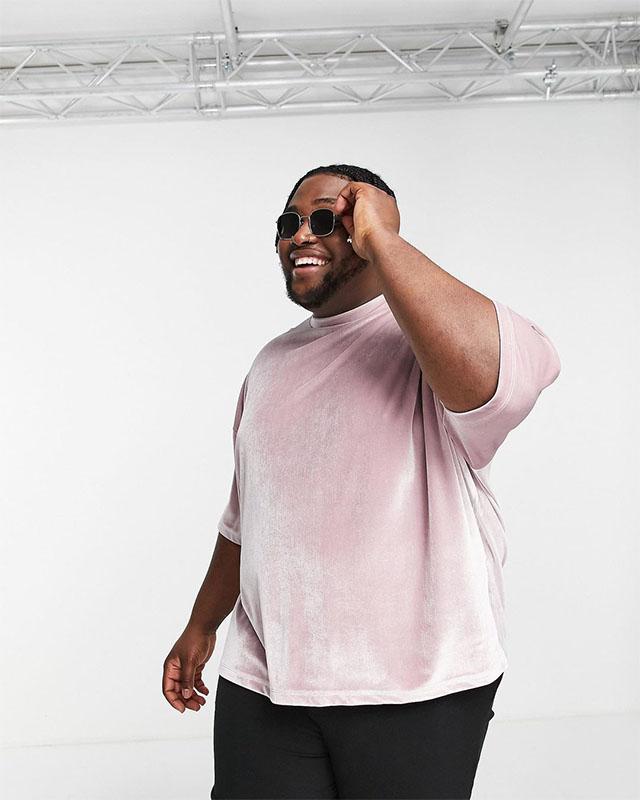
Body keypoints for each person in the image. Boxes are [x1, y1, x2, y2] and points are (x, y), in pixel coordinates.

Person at [162, 164, 561, 799]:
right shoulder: (269, 364)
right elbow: (246, 517)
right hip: (267, 679)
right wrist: (201, 624)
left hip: (417, 684)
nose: (301, 235)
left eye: (327, 219)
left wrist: (383, 240)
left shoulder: (426, 344)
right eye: (290, 222)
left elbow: (502, 378)